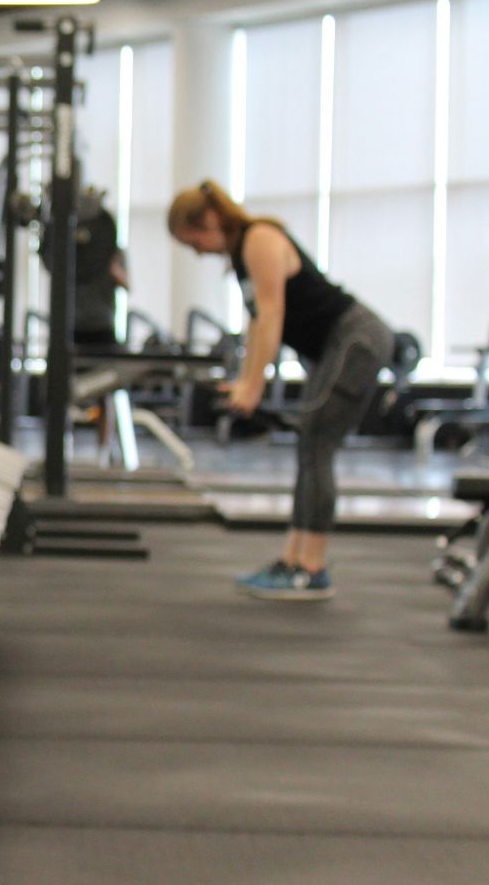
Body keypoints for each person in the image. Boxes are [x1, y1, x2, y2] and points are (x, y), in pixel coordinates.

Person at [167, 181, 394, 601]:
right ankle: (293, 559)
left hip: (356, 340)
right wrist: (247, 380)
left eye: (194, 239)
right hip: (334, 346)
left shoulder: (260, 238)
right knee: (310, 442)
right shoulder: (241, 256)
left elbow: (273, 314)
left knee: (317, 440)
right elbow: (257, 324)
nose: (197, 250)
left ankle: (312, 566)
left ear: (211, 220)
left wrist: (254, 386)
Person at [73, 187, 128, 348]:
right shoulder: (68, 252)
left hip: (102, 325)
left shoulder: (115, 253)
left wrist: (113, 269)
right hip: (73, 325)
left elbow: (127, 285)